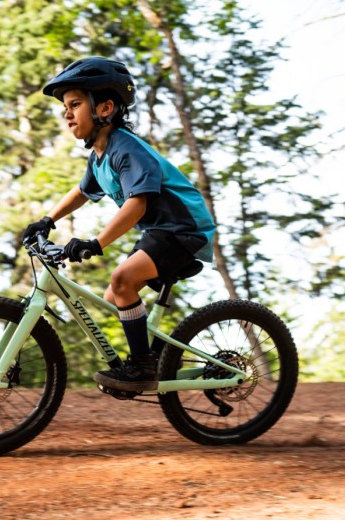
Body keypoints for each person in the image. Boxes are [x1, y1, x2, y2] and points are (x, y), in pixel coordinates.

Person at [23, 57, 216, 393]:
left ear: (106, 107)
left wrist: (96, 242)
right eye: (65, 107)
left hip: (183, 229)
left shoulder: (126, 149)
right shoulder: (100, 155)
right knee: (115, 294)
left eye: (76, 104)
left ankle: (142, 369)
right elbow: (82, 192)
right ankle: (152, 357)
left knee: (122, 279)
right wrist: (47, 219)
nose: (67, 114)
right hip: (161, 231)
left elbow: (137, 204)